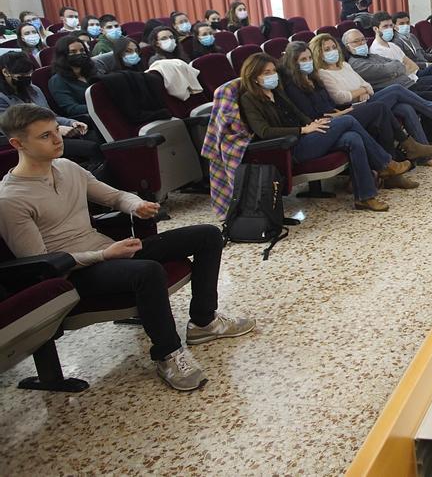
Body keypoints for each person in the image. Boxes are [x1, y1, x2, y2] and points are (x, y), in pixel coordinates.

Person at [0, 103, 256, 391]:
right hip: (76, 273)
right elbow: (42, 264)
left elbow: (114, 196)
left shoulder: (66, 167)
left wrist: (137, 205)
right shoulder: (10, 198)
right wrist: (104, 254)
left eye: (56, 131)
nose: (58, 139)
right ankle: (168, 353)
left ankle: (203, 321)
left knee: (207, 235)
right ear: (17, 143)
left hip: (109, 250)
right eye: (45, 136)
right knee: (147, 271)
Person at [236, 53, 408, 211]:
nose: (272, 75)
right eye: (266, 73)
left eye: (273, 71)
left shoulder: (277, 92)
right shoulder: (249, 99)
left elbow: (298, 114)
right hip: (290, 148)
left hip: (306, 137)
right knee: (348, 120)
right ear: (254, 77)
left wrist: (312, 123)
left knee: (352, 138)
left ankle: (365, 197)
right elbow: (264, 131)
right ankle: (385, 164)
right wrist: (303, 129)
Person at [279, 41, 432, 182]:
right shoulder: (293, 87)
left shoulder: (313, 78)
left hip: (337, 114)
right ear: (294, 63)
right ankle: (406, 148)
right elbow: (315, 116)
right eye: (303, 60)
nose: (308, 63)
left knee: (382, 118)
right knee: (379, 108)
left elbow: (330, 104)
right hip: (325, 124)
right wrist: (343, 112)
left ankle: (393, 173)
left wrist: (343, 109)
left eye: (309, 58)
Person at [310, 33, 432, 151]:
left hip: (366, 99)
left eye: (333, 47)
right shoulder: (323, 73)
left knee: (406, 108)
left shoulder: (344, 65)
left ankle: (425, 152)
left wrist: (362, 90)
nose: (332, 52)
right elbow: (341, 97)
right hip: (354, 108)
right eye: (327, 50)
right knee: (396, 90)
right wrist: (361, 90)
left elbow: (366, 84)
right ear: (319, 53)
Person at [342, 28, 432, 135]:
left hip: (407, 81)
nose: (361, 43)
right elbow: (390, 69)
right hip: (398, 87)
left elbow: (397, 65)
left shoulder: (373, 55)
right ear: (347, 46)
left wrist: (396, 68)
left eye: (362, 39)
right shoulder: (357, 63)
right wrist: (396, 68)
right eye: (356, 41)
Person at [0, 53, 103, 167]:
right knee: (91, 149)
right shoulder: (2, 98)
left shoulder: (33, 89)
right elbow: (14, 129)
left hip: (53, 132)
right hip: (33, 141)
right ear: (5, 72)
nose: (27, 77)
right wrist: (55, 130)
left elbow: (50, 115)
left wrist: (71, 122)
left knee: (98, 138)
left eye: (29, 73)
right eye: (22, 75)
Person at [48, 36, 100, 120]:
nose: (79, 54)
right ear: (63, 55)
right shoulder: (57, 80)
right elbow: (72, 109)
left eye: (82, 50)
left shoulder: (92, 71)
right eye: (73, 52)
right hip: (87, 119)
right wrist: (100, 106)